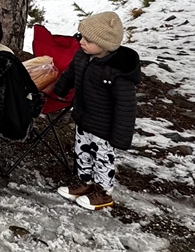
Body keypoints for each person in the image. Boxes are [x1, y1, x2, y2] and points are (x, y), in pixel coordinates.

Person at [52, 11, 140, 211]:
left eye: (88, 39)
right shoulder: (82, 56)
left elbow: (126, 107)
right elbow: (70, 74)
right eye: (80, 36)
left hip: (104, 127)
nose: (81, 41)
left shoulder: (117, 72)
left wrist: (121, 137)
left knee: (102, 159)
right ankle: (85, 183)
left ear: (105, 45)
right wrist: (59, 89)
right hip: (84, 118)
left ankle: (103, 192)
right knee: (82, 153)